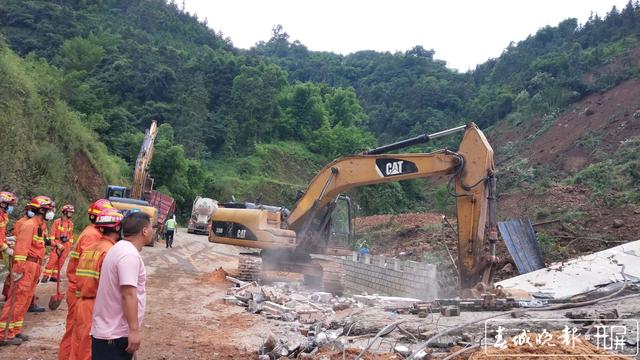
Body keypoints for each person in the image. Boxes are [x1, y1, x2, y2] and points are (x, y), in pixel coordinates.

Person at [58, 199, 113, 360]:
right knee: (79, 335)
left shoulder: (92, 233)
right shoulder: (92, 236)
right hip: (80, 291)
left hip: (78, 289)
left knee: (75, 333)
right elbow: (89, 270)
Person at [92, 212, 151, 360]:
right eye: (151, 227)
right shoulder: (128, 255)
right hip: (114, 337)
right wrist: (134, 331)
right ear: (144, 231)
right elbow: (128, 294)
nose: (152, 231)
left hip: (110, 334)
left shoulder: (118, 248)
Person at [0, 195, 54, 346]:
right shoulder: (29, 225)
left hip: (35, 266)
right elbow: (22, 249)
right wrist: (18, 270)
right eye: (49, 210)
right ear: (42, 210)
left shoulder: (39, 226)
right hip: (26, 266)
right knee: (16, 299)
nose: (51, 212)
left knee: (25, 299)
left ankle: (15, 330)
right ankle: (4, 334)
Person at [70, 208, 123, 360]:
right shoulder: (110, 252)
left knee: (77, 347)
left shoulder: (89, 249)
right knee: (89, 350)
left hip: (81, 304)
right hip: (96, 307)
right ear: (117, 227)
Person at [42, 204, 75, 283]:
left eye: (71, 212)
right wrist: (53, 244)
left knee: (61, 261)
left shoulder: (71, 224)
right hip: (57, 243)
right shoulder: (57, 222)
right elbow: (52, 234)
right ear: (65, 212)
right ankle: (45, 276)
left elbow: (71, 236)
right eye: (70, 212)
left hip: (66, 245)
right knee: (52, 260)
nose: (71, 214)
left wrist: (69, 245)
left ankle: (54, 276)